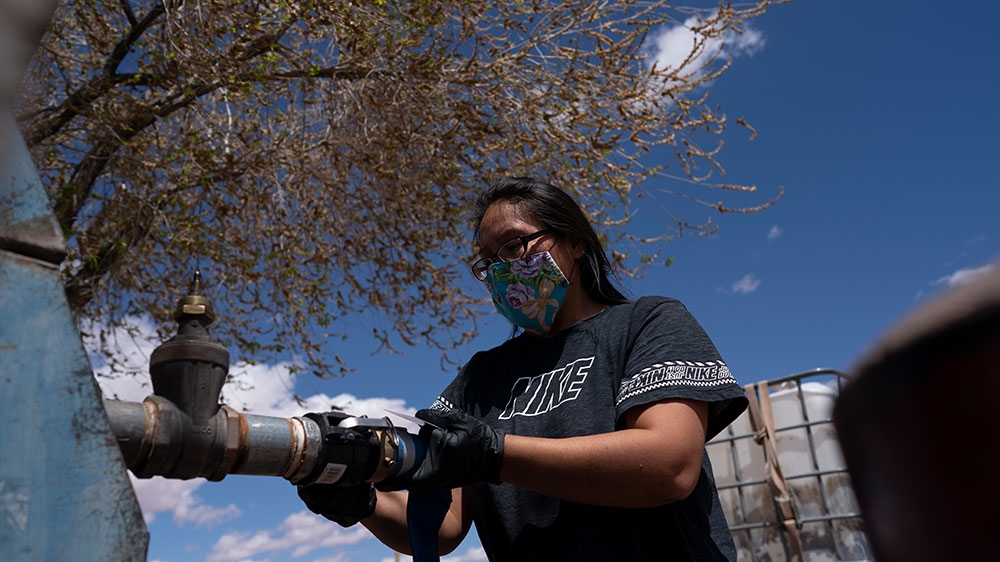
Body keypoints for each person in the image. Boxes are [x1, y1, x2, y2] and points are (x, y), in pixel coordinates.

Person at [298, 176, 748, 561]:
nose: (502, 270)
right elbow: (446, 523)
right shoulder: (479, 378)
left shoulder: (647, 323)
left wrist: (494, 454)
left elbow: (669, 466)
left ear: (574, 242)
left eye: (514, 245)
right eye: (489, 262)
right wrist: (359, 499)